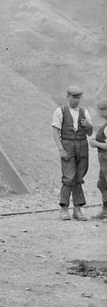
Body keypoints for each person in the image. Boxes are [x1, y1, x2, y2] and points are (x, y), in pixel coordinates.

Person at [50, 85, 94, 220]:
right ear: (68, 96)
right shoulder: (60, 111)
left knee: (78, 178)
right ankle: (64, 209)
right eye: (73, 97)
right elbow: (55, 131)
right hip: (68, 145)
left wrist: (89, 125)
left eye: (78, 97)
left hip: (82, 145)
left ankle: (77, 210)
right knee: (69, 178)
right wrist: (61, 149)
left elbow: (90, 133)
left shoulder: (84, 112)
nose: (76, 100)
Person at [93, 98, 107, 220]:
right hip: (103, 161)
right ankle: (105, 211)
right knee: (102, 184)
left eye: (103, 110)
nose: (101, 113)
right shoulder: (105, 124)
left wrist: (95, 143)